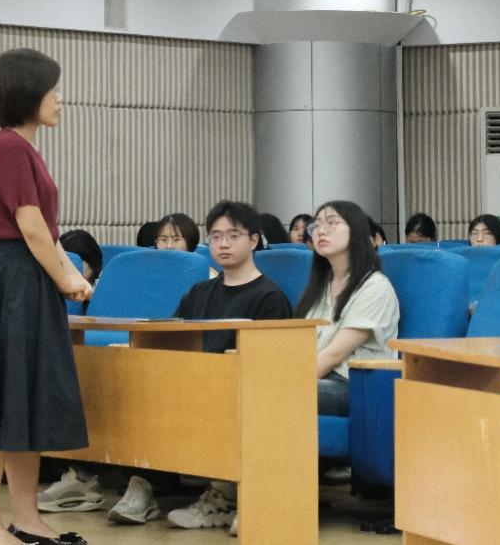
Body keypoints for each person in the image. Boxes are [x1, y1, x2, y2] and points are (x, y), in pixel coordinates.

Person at [84, 201, 292, 533]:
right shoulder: (200, 291)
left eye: (233, 235)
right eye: (216, 236)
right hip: (190, 381)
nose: (223, 244)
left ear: (253, 240)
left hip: (236, 386)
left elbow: (271, 366)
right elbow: (172, 337)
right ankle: (140, 486)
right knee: (135, 382)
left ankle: (224, 497)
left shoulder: (270, 298)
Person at [0, 48, 93, 545]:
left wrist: (71, 275)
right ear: (27, 92)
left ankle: (27, 519)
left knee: (27, 400)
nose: (59, 99)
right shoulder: (9, 147)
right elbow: (30, 226)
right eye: (51, 89)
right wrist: (64, 279)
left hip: (30, 278)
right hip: (16, 281)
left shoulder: (25, 149)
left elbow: (48, 232)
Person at [296, 201, 400, 417]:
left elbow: (335, 354)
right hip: (318, 376)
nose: (321, 231)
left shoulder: (375, 286)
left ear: (357, 231)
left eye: (332, 222)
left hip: (355, 383)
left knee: (270, 393)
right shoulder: (320, 287)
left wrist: (288, 381)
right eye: (316, 225)